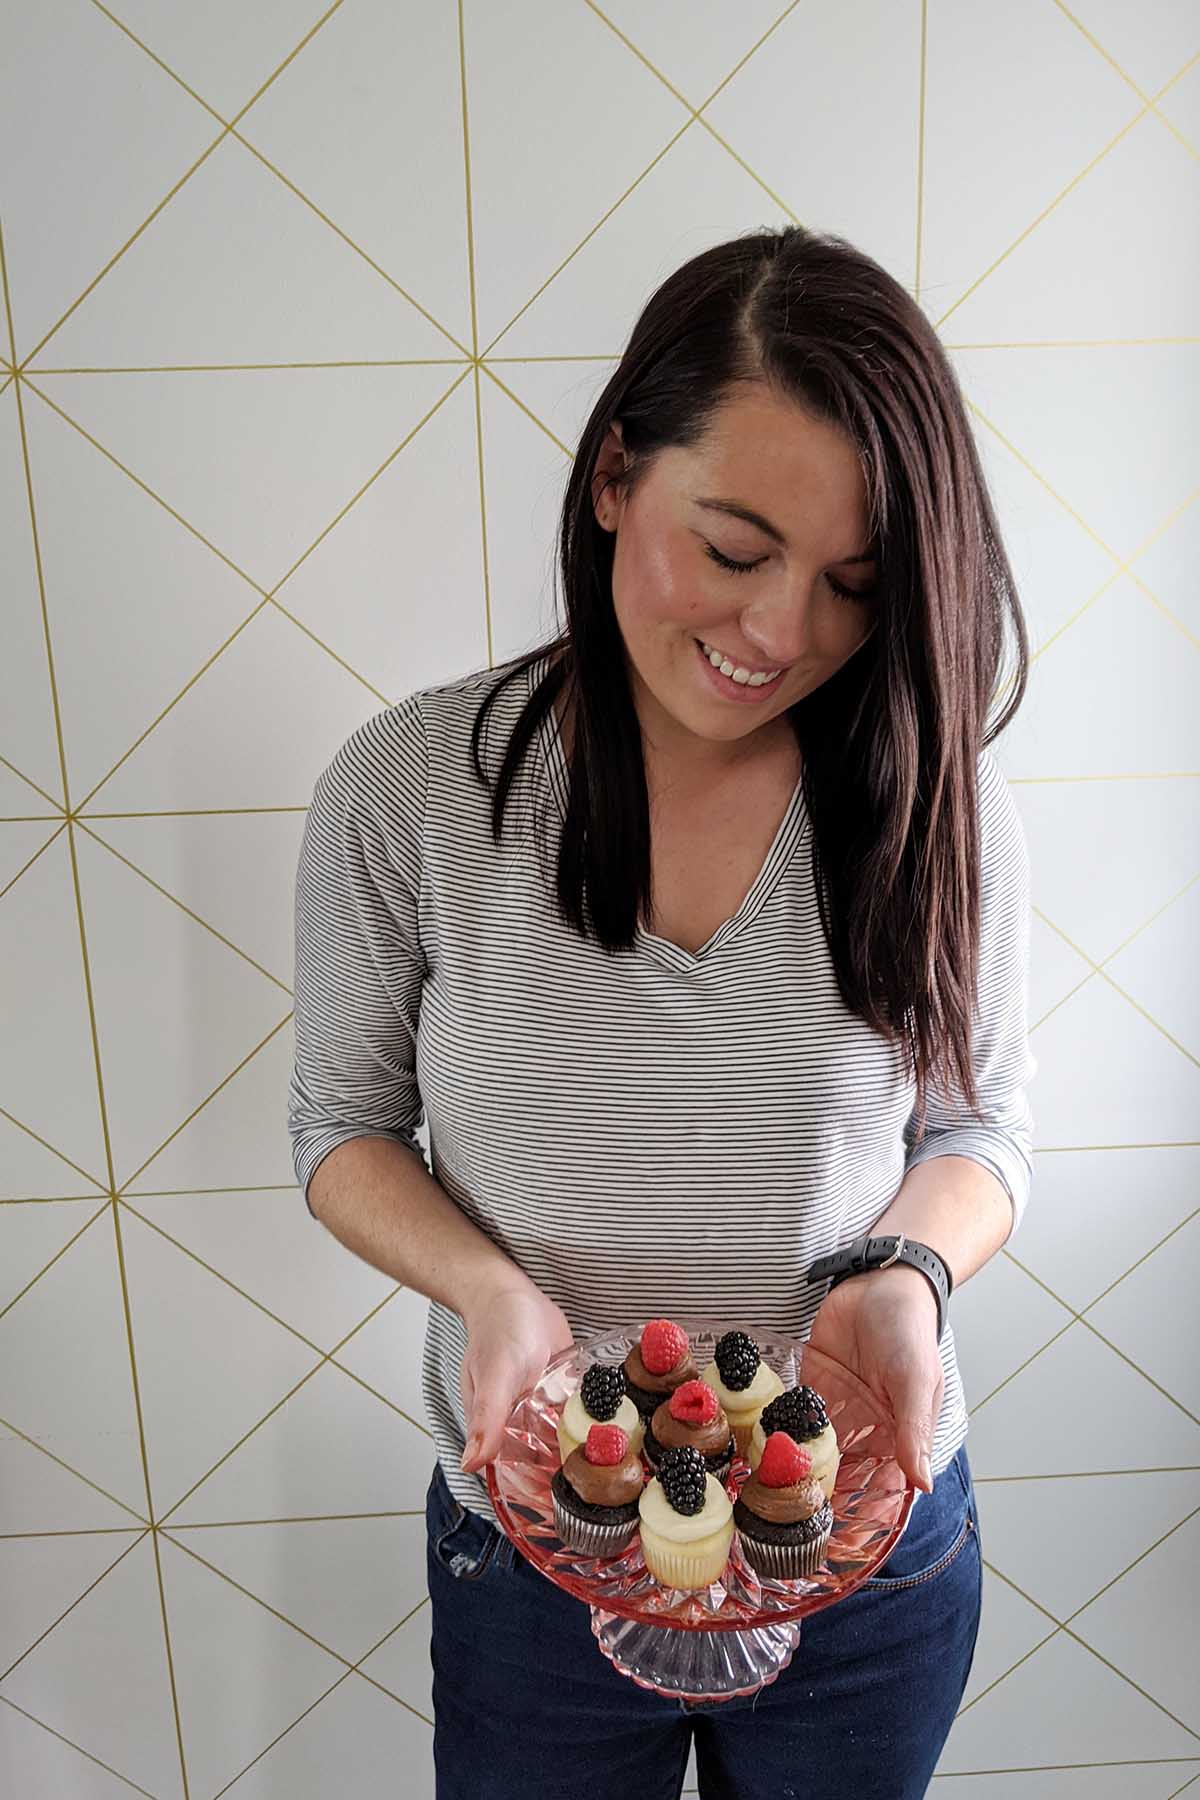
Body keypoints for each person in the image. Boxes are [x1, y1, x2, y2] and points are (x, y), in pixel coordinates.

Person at [287, 224, 1036, 1799]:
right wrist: (491, 1294)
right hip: (539, 1555)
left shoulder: (934, 805)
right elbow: (343, 1129)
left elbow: (980, 1130)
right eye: (736, 547)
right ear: (618, 472)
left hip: (865, 1551)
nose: (782, 635)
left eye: (852, 586)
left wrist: (904, 1274)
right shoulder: (411, 788)